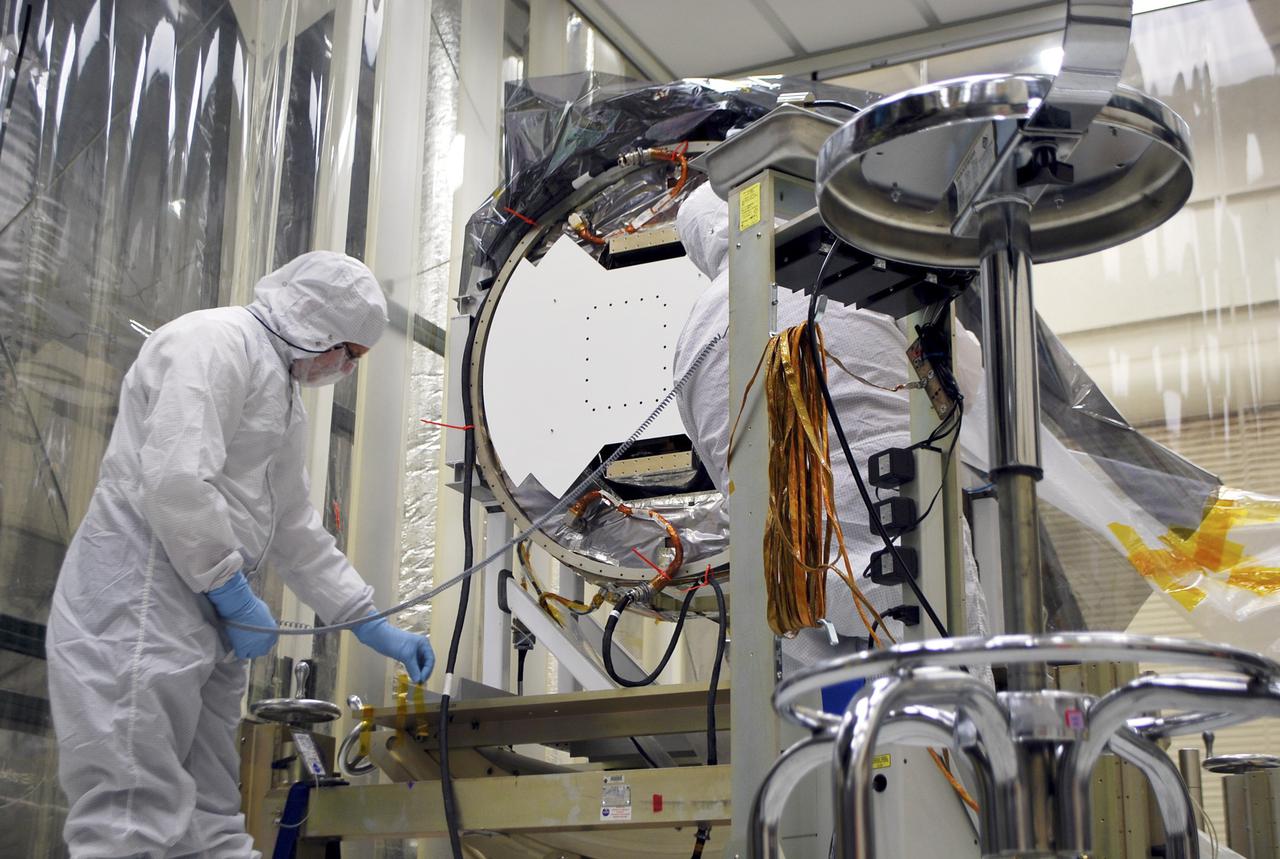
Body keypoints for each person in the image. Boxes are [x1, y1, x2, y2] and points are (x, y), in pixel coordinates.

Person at [45, 251, 434, 858]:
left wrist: (367, 619)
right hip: (140, 605)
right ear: (318, 327)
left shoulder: (280, 390)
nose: (345, 369)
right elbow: (175, 479)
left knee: (211, 815)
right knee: (129, 813)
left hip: (204, 620)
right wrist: (229, 588)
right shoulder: (213, 342)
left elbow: (292, 525)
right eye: (349, 353)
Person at [672, 182, 989, 668]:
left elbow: (717, 461)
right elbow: (963, 380)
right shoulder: (848, 265)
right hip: (900, 529)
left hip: (789, 572)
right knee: (943, 693)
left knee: (821, 707)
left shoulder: (692, 336)